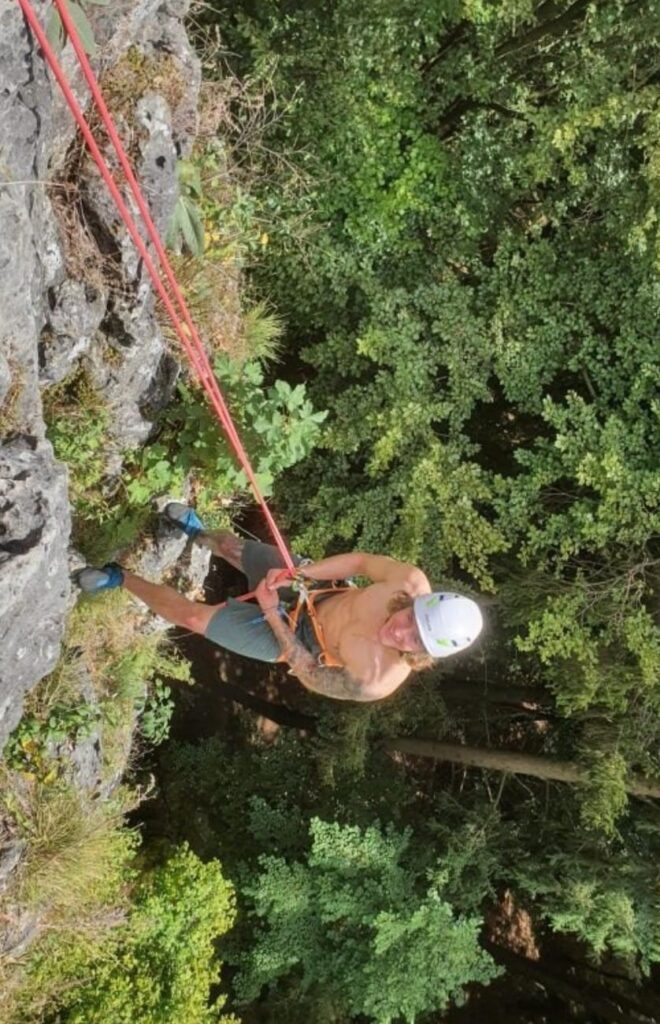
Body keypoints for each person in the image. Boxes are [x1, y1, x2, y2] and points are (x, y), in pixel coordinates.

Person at [76, 503, 483, 702]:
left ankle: (119, 578)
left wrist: (272, 612)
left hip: (295, 641)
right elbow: (359, 561)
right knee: (234, 549)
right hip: (315, 592)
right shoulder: (408, 581)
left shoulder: (376, 680)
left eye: (413, 640)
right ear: (418, 602)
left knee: (197, 618)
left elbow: (306, 671)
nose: (399, 630)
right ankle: (197, 533)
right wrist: (299, 574)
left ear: (424, 655)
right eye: (410, 618)